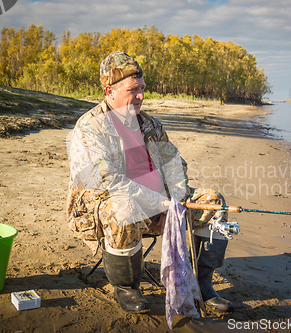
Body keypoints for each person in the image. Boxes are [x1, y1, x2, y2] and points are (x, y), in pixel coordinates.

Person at [66, 52, 233, 314]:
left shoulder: (150, 125)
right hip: (104, 206)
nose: (141, 96)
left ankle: (201, 284)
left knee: (213, 202)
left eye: (143, 88)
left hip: (161, 201)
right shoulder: (90, 128)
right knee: (125, 206)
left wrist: (175, 202)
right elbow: (109, 182)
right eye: (134, 90)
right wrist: (160, 204)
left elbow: (176, 165)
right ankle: (127, 287)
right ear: (110, 90)